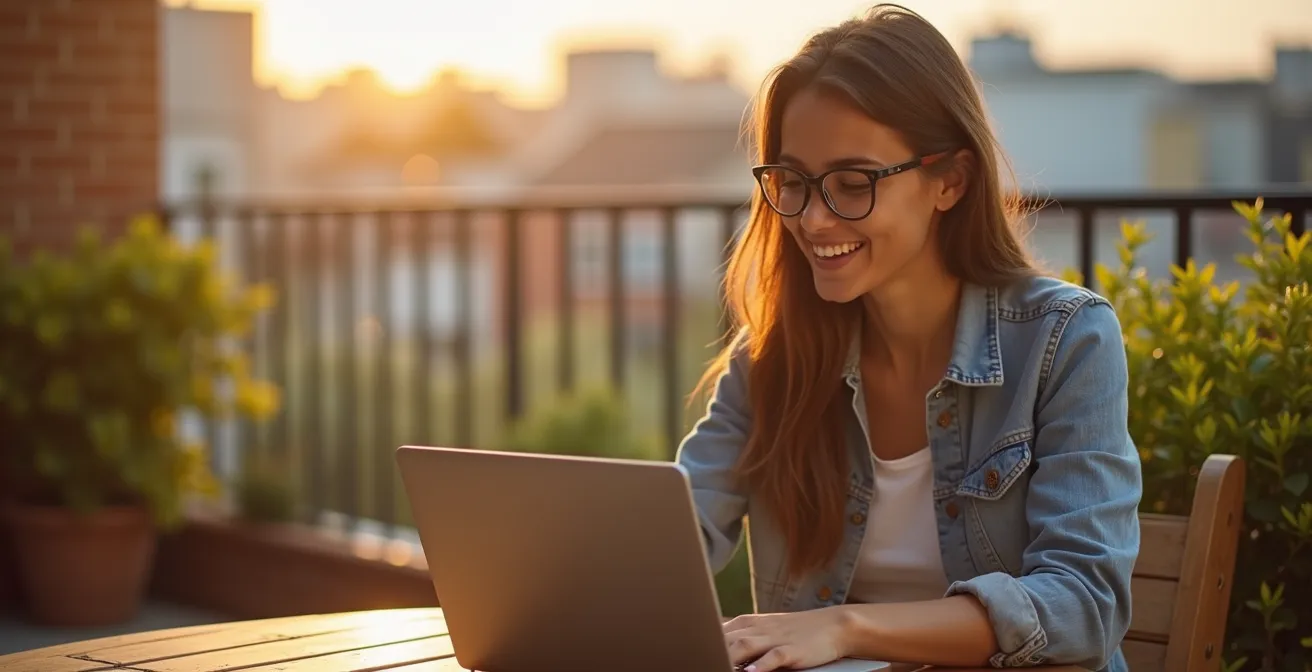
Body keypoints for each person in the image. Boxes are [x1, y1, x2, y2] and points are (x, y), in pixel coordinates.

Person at [675, 5, 1142, 672]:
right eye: (795, 182)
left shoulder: (1065, 341)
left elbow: (1082, 605)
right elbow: (674, 531)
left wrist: (845, 628)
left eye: (851, 183)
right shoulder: (772, 360)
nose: (811, 218)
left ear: (949, 179)